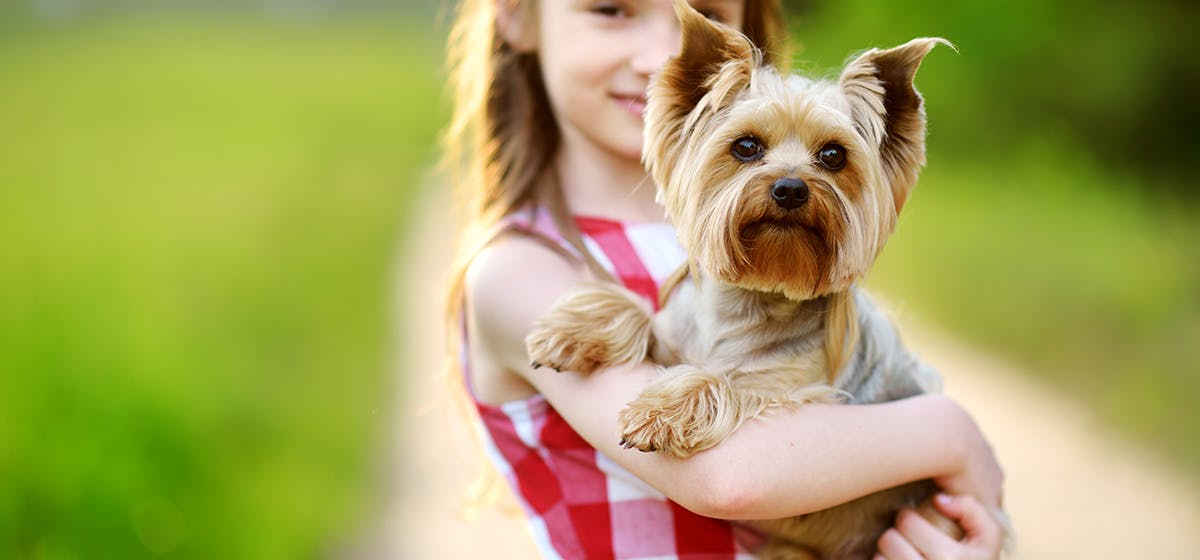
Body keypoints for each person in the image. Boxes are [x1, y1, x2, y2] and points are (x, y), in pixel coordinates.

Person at [441, 0, 1006, 558]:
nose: (659, 53)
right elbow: (730, 479)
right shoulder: (519, 271)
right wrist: (949, 432)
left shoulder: (734, 260)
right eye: (612, 9)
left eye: (831, 157)